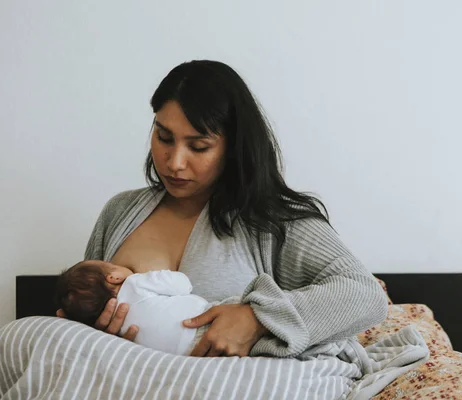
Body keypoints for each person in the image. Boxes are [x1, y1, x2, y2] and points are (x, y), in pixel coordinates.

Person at [57, 60, 388, 358]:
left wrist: (257, 319)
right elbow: (80, 316)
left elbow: (364, 294)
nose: (174, 162)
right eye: (164, 137)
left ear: (233, 147)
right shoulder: (119, 212)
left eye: (198, 146)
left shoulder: (275, 221)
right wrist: (94, 330)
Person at [55, 260, 227, 356]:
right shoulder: (134, 283)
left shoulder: (119, 331)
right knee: (235, 304)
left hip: (181, 356)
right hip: (206, 322)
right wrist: (153, 274)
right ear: (114, 277)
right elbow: (183, 284)